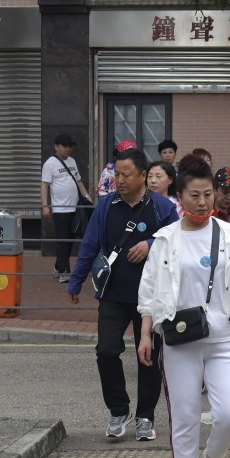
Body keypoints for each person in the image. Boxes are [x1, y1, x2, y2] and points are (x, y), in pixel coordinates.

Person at [136, 157, 230, 458]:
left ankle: (213, 457)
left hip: (225, 337)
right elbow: (149, 293)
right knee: (186, 415)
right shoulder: (165, 239)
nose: (204, 201)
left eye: (209, 194)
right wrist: (147, 335)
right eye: (195, 195)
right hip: (180, 342)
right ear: (179, 196)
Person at [68, 148, 179, 441]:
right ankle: (119, 410)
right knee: (105, 350)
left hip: (151, 297)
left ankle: (145, 416)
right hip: (113, 294)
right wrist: (76, 281)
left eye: (126, 175)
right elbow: (90, 245)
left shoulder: (162, 207)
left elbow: (176, 242)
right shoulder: (106, 206)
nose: (119, 179)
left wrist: (151, 244)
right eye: (117, 174)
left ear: (143, 176)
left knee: (149, 357)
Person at [41, 133, 93, 284]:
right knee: (63, 241)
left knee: (69, 240)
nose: (68, 149)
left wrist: (87, 197)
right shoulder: (50, 163)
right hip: (60, 209)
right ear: (56, 147)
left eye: (70, 146)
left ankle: (58, 266)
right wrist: (45, 206)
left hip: (75, 208)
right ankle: (64, 272)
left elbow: (79, 182)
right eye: (65, 146)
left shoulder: (72, 161)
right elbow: (44, 185)